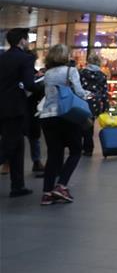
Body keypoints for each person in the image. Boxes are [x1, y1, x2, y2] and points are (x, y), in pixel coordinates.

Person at [37, 45, 86, 205]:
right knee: (76, 150)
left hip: (47, 116)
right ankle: (61, 185)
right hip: (65, 115)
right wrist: (89, 95)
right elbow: (79, 92)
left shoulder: (48, 73)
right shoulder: (70, 71)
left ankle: (47, 193)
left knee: (54, 155)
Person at [0, 27, 37, 197]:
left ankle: (18, 185)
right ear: (22, 40)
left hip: (3, 107)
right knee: (9, 145)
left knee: (17, 146)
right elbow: (29, 84)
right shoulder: (26, 59)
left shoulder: (3, 58)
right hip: (16, 108)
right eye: (27, 39)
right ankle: (17, 185)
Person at [79, 52, 110, 156]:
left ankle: (79, 146)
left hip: (82, 101)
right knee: (89, 124)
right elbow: (104, 92)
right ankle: (88, 148)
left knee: (79, 123)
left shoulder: (82, 73)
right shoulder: (102, 75)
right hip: (94, 103)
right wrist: (106, 107)